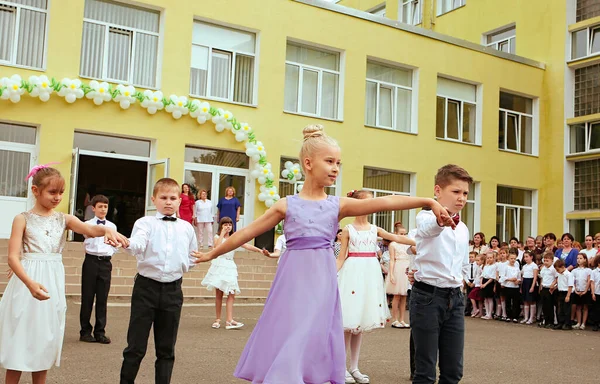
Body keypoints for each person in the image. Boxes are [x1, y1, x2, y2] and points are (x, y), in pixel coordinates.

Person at [192, 124, 452, 384]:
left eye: (338, 162)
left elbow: (386, 201)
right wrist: (211, 253)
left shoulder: (336, 205)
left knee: (313, 335)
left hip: (322, 281)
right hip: (293, 281)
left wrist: (428, 202)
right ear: (308, 163)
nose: (336, 168)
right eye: (329, 161)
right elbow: (244, 233)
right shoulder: (286, 205)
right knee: (292, 334)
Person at [0, 166, 126, 384]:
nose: (57, 197)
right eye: (52, 192)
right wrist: (30, 284)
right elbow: (12, 257)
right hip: (27, 281)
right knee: (20, 338)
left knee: (45, 338)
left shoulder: (64, 219)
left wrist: (107, 230)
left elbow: (90, 230)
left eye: (61, 192)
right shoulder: (22, 219)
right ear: (36, 190)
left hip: (52, 280)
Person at [119, 178, 198, 384]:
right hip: (146, 288)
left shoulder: (187, 228)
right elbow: (137, 244)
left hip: (173, 291)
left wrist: (179, 268)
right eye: (163, 197)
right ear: (154, 199)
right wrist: (126, 242)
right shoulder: (145, 223)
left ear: (180, 200)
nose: (168, 202)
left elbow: (192, 256)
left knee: (166, 349)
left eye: (173, 198)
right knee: (135, 347)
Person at [337, 190, 415, 383]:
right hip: (353, 273)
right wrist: (331, 274)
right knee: (348, 323)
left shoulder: (374, 229)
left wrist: (419, 241)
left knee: (360, 324)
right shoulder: (348, 229)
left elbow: (398, 238)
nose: (371, 206)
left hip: (369, 274)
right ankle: (340, 368)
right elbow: (341, 258)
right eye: (367, 202)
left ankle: (354, 367)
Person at [409, 164, 471, 384]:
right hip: (428, 298)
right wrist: (440, 220)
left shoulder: (463, 228)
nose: (461, 198)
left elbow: (464, 262)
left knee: (453, 371)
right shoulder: (425, 217)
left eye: (465, 193)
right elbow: (428, 229)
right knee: (425, 372)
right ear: (437, 191)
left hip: (454, 297)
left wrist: (461, 287)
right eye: (455, 192)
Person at [201, 217, 265, 330]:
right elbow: (217, 247)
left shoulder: (234, 238)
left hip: (230, 266)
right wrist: (222, 233)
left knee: (231, 293)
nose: (228, 226)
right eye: (225, 224)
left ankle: (229, 320)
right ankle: (217, 319)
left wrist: (259, 250)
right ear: (221, 226)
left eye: (230, 224)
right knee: (219, 294)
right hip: (220, 265)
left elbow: (246, 245)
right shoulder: (217, 236)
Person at [80, 194, 118, 344]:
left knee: (102, 299)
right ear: (93, 208)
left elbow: (115, 243)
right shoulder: (87, 224)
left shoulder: (112, 226)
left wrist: (111, 252)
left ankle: (100, 331)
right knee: (87, 297)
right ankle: (85, 331)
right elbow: (87, 236)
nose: (103, 209)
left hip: (105, 263)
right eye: (100, 206)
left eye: (105, 207)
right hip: (91, 261)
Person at [386, 224, 411, 329]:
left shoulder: (407, 244)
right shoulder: (393, 245)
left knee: (404, 295)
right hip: (397, 268)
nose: (403, 235)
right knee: (396, 295)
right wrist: (391, 273)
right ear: (396, 233)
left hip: (406, 268)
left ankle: (402, 319)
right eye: (401, 234)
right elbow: (391, 260)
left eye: (405, 234)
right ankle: (394, 319)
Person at [571, 253, 592, 330]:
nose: (578, 260)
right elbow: (573, 281)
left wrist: (585, 290)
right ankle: (578, 322)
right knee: (578, 307)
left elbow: (589, 281)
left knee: (585, 307)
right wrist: (576, 290)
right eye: (577, 258)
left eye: (580, 258)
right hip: (577, 290)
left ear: (585, 259)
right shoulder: (574, 271)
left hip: (585, 291)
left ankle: (583, 323)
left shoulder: (588, 270)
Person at [538, 252, 558, 328]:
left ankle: (551, 321)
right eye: (545, 260)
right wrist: (540, 287)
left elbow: (556, 278)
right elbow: (542, 278)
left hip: (550, 289)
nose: (545, 262)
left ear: (552, 261)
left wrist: (553, 285)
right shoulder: (543, 269)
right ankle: (546, 321)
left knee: (550, 306)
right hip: (544, 287)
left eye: (547, 261)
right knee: (544, 306)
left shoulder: (553, 269)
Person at [500, 251, 521, 323]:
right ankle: (508, 316)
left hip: (515, 287)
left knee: (515, 302)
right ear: (508, 258)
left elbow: (519, 278)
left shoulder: (517, 268)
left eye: (514, 259)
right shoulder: (506, 267)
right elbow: (502, 277)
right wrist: (510, 279)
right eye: (511, 258)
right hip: (508, 286)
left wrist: (517, 281)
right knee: (508, 301)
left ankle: (515, 316)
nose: (513, 260)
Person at [554, 259, 574, 330]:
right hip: (561, 292)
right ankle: (561, 322)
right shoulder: (559, 274)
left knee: (567, 309)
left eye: (558, 269)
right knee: (561, 309)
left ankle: (567, 324)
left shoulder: (569, 274)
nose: (557, 271)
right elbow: (559, 282)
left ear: (562, 267)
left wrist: (568, 296)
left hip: (567, 292)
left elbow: (570, 285)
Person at [520, 251, 539, 325]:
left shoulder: (534, 266)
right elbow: (522, 277)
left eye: (527, 256)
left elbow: (535, 277)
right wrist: (521, 287)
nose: (525, 258)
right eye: (524, 257)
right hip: (525, 282)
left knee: (531, 300)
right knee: (525, 300)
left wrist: (532, 286)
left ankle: (532, 317)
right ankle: (526, 317)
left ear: (531, 257)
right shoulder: (524, 266)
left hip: (530, 282)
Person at [480, 252, 497, 320]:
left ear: (493, 258)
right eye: (488, 258)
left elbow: (492, 277)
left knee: (490, 299)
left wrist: (485, 284)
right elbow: (482, 275)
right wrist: (481, 283)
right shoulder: (486, 266)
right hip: (484, 281)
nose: (489, 259)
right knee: (485, 299)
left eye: (490, 258)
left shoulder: (494, 266)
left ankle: (490, 314)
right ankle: (486, 313)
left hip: (489, 283)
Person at [468, 254, 484, 318]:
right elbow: (476, 277)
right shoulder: (478, 267)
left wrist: (476, 283)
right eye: (476, 260)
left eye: (478, 260)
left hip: (479, 285)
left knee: (471, 295)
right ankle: (480, 312)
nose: (477, 262)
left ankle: (475, 309)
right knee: (478, 299)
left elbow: (480, 277)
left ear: (482, 261)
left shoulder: (482, 267)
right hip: (476, 284)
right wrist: (474, 283)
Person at [462, 251, 478, 316]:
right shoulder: (467, 265)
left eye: (472, 257)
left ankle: (474, 309)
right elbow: (464, 274)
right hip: (468, 281)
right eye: (469, 257)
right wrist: (467, 282)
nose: (470, 258)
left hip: (474, 281)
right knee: (468, 296)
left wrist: (474, 283)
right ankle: (467, 310)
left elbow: (477, 274)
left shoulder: (477, 265)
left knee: (474, 296)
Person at [590, 256, 600, 331]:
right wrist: (593, 293)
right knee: (596, 309)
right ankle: (595, 323)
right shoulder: (594, 272)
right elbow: (592, 283)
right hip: (597, 292)